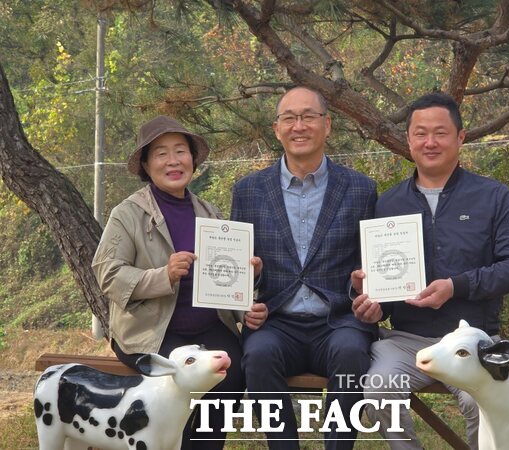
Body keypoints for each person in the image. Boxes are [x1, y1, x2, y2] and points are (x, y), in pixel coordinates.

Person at [351, 92, 509, 449]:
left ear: (460, 137)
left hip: (472, 339)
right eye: (420, 133)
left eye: (440, 133)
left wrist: (457, 286)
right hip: (406, 341)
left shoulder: (493, 196)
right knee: (377, 388)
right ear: (408, 139)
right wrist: (372, 302)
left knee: (477, 402)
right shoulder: (388, 203)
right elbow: (383, 287)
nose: (430, 142)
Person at [92, 115, 267, 450]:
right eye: (161, 153)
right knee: (185, 379)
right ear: (145, 164)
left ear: (192, 159)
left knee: (230, 372)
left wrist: (246, 295)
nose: (173, 161)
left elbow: (221, 282)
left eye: (180, 151)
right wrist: (164, 275)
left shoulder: (210, 213)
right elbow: (107, 273)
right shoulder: (127, 214)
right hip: (151, 331)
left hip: (209, 327)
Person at [230, 86, 378, 450]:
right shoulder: (248, 190)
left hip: (339, 321)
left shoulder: (361, 188)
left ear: (327, 125)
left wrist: (370, 295)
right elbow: (237, 268)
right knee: (258, 354)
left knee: (351, 352)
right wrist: (244, 300)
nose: (300, 126)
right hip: (276, 322)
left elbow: (371, 263)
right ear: (277, 128)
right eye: (289, 118)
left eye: (309, 116)